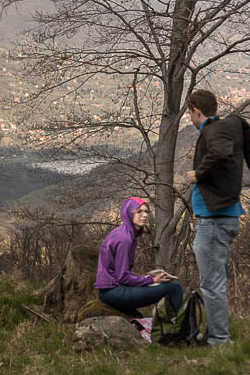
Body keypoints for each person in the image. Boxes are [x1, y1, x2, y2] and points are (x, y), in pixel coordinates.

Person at [185, 89, 249, 346]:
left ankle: (220, 339)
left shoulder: (214, 131)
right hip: (221, 218)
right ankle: (214, 332)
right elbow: (242, 126)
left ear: (196, 111)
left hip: (214, 221)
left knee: (212, 284)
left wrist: (198, 174)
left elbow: (221, 151)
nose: (189, 117)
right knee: (215, 282)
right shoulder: (229, 125)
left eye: (189, 113)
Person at [96, 196, 183, 315]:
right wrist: (151, 280)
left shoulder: (124, 233)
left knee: (138, 316)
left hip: (110, 290)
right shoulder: (124, 239)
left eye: (146, 211)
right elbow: (123, 277)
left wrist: (149, 279)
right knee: (174, 288)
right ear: (128, 213)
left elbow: (119, 273)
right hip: (114, 292)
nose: (145, 215)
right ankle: (171, 329)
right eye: (139, 211)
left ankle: (163, 326)